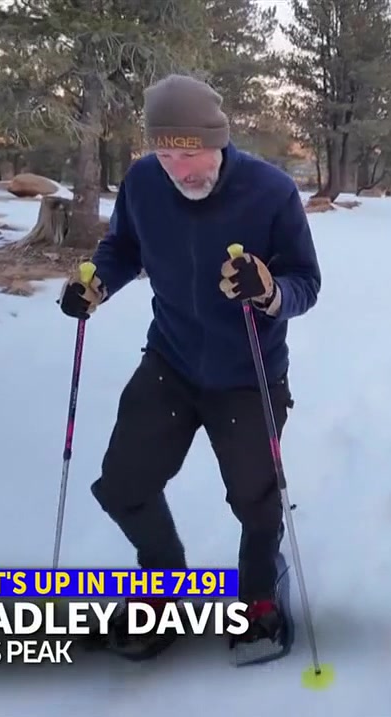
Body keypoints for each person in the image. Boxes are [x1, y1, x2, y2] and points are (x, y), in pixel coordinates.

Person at [57, 73, 322, 665]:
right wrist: (96, 285)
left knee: (256, 502)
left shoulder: (270, 191)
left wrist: (267, 289)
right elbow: (123, 248)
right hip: (172, 361)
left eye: (190, 152)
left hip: (248, 372)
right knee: (123, 486)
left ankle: (258, 595)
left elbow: (306, 282)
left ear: (219, 139)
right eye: (165, 153)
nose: (180, 168)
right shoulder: (144, 183)